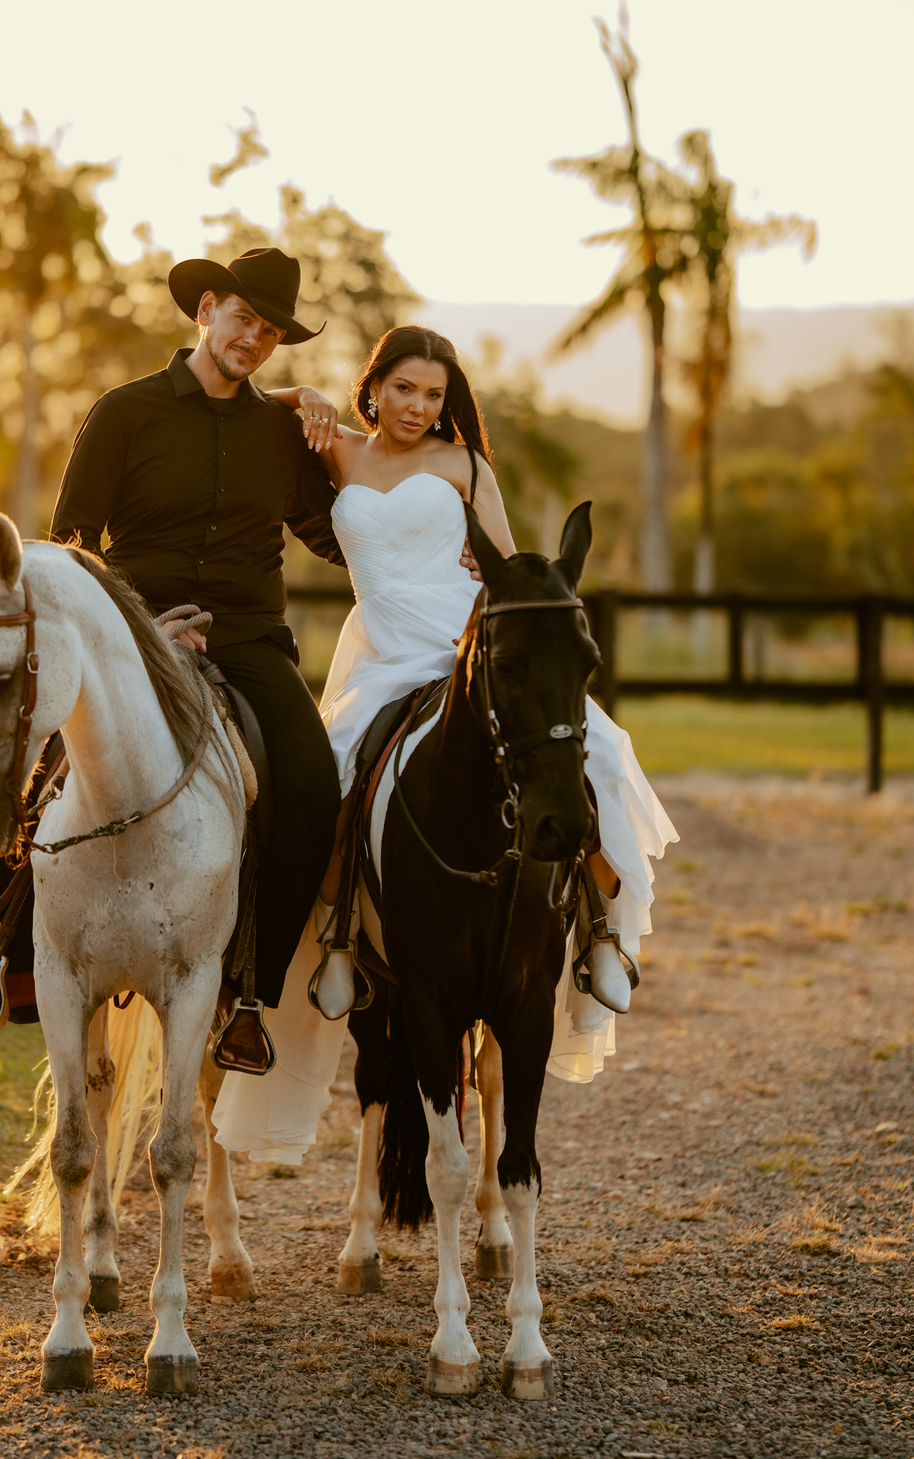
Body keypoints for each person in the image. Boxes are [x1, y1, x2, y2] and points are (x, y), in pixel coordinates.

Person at [212, 326, 678, 1163]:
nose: (419, 409)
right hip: (387, 654)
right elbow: (253, 399)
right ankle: (343, 942)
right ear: (374, 388)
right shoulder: (340, 456)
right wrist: (302, 398)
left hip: (462, 643)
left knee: (597, 755)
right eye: (404, 391)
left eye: (434, 396)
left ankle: (599, 930)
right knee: (328, 779)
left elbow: (503, 566)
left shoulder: (467, 467)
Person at [0, 248, 357, 1072]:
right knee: (38, 766)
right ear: (206, 310)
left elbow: (343, 536)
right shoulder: (124, 414)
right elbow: (69, 544)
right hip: (134, 639)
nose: (254, 339)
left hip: (249, 639)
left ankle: (248, 996)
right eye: (244, 319)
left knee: (312, 787)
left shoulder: (283, 431)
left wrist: (397, 486)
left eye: (271, 331)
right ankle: (0, 959)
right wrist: (139, 628)